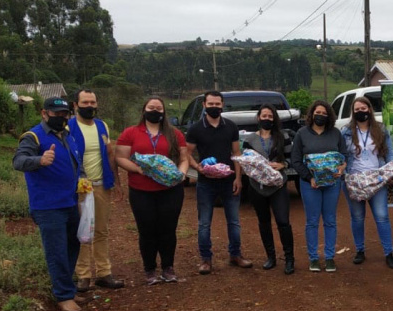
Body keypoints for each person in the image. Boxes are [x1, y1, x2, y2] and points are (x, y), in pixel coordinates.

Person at [13, 97, 85, 311]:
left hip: (70, 202)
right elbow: (18, 161)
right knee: (57, 251)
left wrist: (82, 178)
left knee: (73, 245)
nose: (61, 117)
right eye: (56, 114)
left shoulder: (67, 135)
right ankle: (63, 296)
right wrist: (39, 161)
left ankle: (67, 288)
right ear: (44, 114)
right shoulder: (33, 136)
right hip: (48, 206)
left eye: (65, 114)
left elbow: (75, 163)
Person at [115, 97, 189, 285]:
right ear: (144, 110)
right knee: (147, 230)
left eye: (158, 108)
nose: (155, 111)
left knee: (168, 229)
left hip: (170, 189)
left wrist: (181, 174)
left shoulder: (174, 134)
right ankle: (149, 269)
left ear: (164, 112)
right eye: (151, 107)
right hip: (141, 190)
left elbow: (184, 158)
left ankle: (168, 267)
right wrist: (140, 169)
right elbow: (120, 157)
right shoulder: (131, 133)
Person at [68, 89, 125, 292]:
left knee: (101, 230)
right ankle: (83, 275)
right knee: (82, 231)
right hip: (79, 187)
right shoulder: (69, 127)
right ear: (76, 105)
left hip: (101, 185)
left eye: (93, 102)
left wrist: (117, 182)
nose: (89, 106)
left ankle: (104, 273)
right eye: (85, 102)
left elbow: (110, 154)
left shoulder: (102, 126)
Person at [185, 91, 247, 274]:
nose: (214, 107)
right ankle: (206, 260)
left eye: (217, 104)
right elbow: (186, 153)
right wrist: (198, 168)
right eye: (210, 104)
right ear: (204, 105)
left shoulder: (231, 127)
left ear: (222, 105)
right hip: (206, 182)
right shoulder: (195, 129)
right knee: (204, 223)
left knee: (234, 221)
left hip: (229, 181)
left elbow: (237, 154)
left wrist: (238, 178)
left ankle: (235, 255)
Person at [341, 97, 393, 269]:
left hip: (377, 179)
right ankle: (360, 250)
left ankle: (389, 253)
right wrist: (344, 174)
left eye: (364, 108)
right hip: (354, 180)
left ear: (370, 109)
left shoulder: (380, 129)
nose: (361, 111)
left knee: (382, 216)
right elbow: (341, 155)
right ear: (353, 112)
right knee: (357, 217)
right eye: (357, 109)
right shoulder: (345, 131)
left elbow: (389, 153)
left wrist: (391, 171)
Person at [290, 100, 346, 273]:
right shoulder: (302, 133)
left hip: (332, 184)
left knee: (330, 220)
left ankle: (329, 257)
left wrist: (341, 168)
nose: (320, 115)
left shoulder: (335, 133)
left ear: (329, 116)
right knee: (312, 221)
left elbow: (344, 155)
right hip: (310, 185)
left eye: (323, 113)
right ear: (311, 114)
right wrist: (309, 178)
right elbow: (296, 160)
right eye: (317, 112)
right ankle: (313, 258)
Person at [242, 104, 295, 275]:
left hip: (278, 185)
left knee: (283, 221)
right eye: (264, 116)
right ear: (258, 118)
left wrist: (283, 164)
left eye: (270, 116)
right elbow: (246, 162)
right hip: (257, 186)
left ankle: (289, 259)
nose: (267, 119)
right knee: (264, 222)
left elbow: (291, 158)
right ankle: (270, 257)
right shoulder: (250, 139)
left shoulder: (283, 136)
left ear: (274, 119)